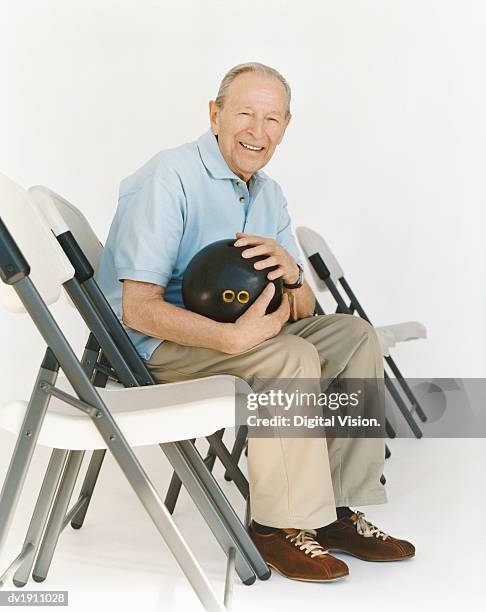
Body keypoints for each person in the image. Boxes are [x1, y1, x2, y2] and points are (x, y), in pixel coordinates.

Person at [98, 62, 415, 582]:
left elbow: (305, 310)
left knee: (353, 335)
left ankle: (331, 513)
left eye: (272, 119)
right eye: (245, 113)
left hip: (241, 336)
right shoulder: (169, 176)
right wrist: (230, 337)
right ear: (215, 114)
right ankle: (275, 528)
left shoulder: (268, 194)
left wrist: (292, 275)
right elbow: (138, 309)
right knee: (291, 355)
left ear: (286, 127)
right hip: (155, 344)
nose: (257, 130)